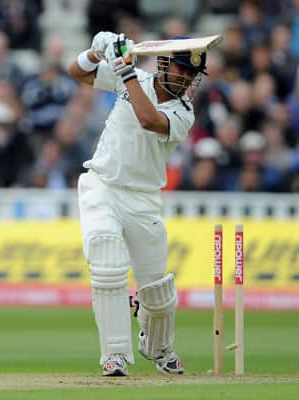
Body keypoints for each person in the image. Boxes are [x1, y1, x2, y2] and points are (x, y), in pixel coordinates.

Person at [67, 32, 208, 376]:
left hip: (144, 200)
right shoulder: (134, 77)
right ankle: (114, 355)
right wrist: (95, 51)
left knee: (156, 291)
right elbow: (76, 72)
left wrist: (125, 70)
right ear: (162, 63)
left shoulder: (182, 112)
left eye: (192, 76)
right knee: (106, 261)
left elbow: (148, 120)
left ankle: (159, 348)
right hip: (102, 185)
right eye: (182, 71)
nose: (187, 79)